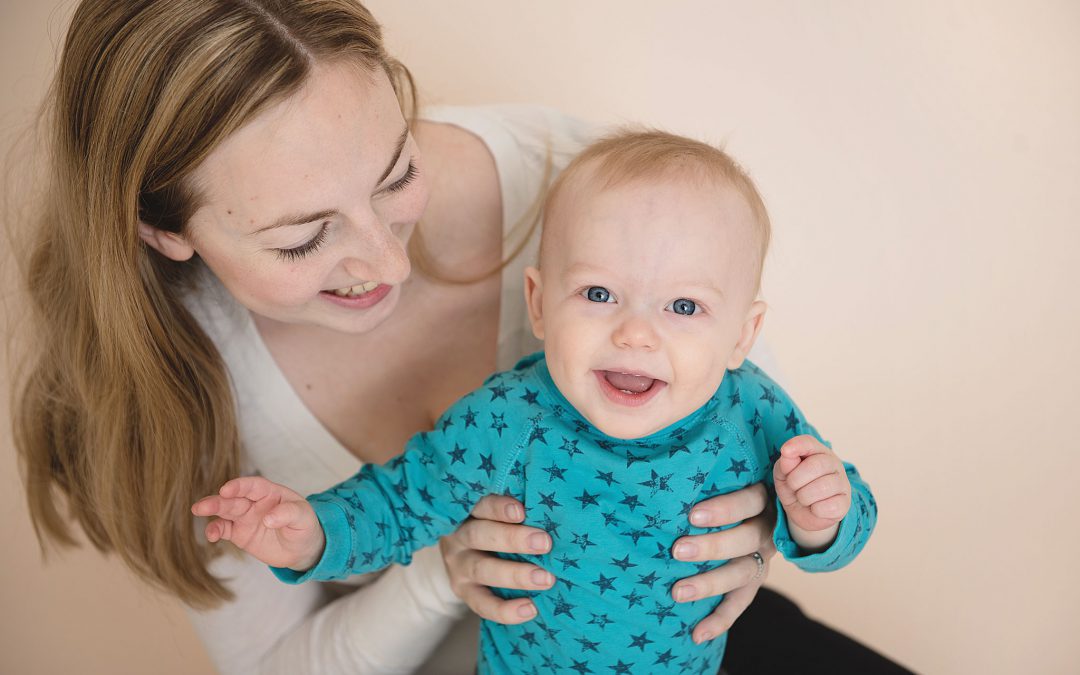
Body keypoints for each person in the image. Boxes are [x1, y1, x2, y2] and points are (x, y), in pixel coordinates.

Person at [10, 1, 908, 673]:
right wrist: (381, 554)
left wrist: (788, 522)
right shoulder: (500, 414)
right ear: (166, 231)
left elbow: (798, 472)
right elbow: (393, 508)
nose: (386, 267)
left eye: (396, 174)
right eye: (301, 237)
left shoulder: (620, 202)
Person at [191, 130, 877, 673]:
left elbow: (838, 519)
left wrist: (819, 515)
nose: (636, 332)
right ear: (539, 304)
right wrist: (311, 530)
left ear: (742, 335)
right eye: (600, 294)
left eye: (685, 305)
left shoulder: (752, 410)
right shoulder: (505, 417)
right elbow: (399, 505)